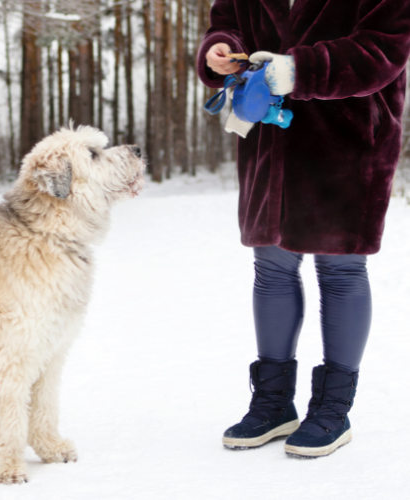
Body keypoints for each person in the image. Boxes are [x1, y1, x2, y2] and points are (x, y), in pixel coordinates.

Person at [197, 0, 410, 458]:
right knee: (270, 266)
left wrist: (297, 71)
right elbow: (228, 23)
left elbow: (384, 49)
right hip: (269, 141)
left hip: (349, 139)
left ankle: (333, 408)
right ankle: (273, 403)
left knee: (340, 269)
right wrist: (220, 49)